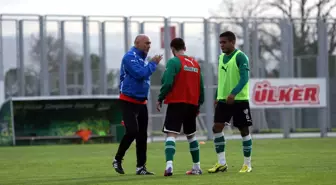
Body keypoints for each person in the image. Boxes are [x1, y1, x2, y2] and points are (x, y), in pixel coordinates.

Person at [113, 34, 163, 175]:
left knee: (142, 136)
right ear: (137, 43)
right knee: (132, 131)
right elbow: (140, 74)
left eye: (150, 43)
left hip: (141, 102)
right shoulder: (129, 57)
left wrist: (150, 64)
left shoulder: (143, 58)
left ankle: (141, 167)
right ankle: (117, 159)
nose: (149, 45)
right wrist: (153, 64)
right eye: (146, 43)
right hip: (128, 101)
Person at [156, 38, 205, 177]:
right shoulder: (195, 63)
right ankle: (196, 167)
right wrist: (199, 103)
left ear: (172, 49)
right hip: (192, 104)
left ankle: (169, 165)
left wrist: (160, 97)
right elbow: (201, 86)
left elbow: (167, 82)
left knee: (171, 134)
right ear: (185, 47)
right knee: (191, 135)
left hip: (177, 102)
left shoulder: (174, 61)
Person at [208, 31, 253, 173]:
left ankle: (247, 164)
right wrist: (217, 95)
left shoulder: (240, 57)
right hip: (223, 100)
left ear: (232, 42)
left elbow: (245, 78)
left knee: (244, 130)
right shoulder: (221, 58)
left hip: (239, 100)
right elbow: (222, 79)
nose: (221, 45)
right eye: (220, 42)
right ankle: (222, 163)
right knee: (216, 128)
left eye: (224, 42)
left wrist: (233, 93)